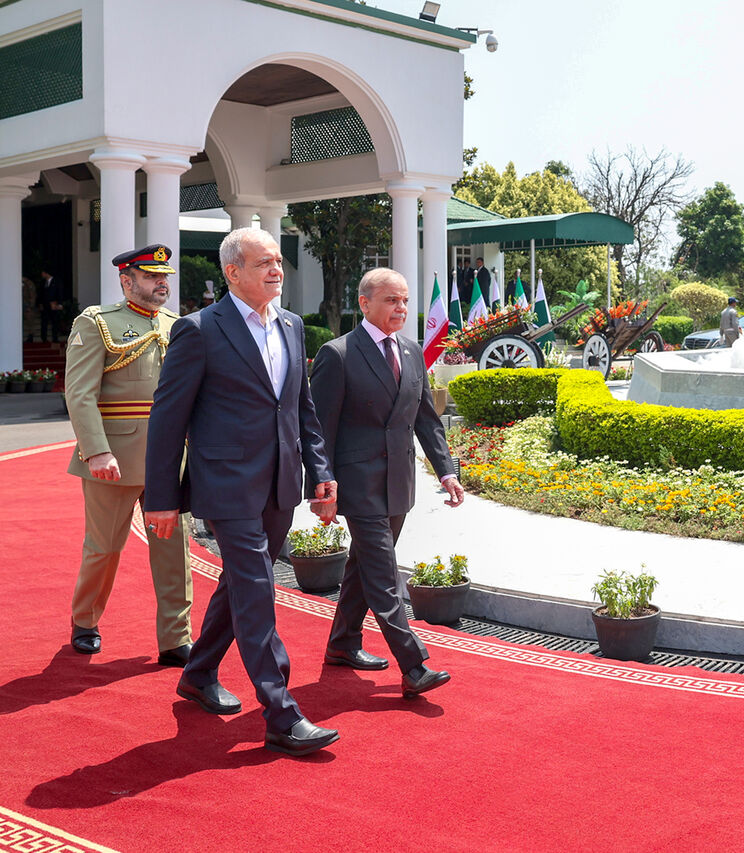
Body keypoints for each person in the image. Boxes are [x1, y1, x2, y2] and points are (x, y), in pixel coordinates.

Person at [144, 227, 341, 758]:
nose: (277, 270)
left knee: (238, 583)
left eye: (279, 261)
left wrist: (320, 471)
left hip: (280, 480)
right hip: (224, 482)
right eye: (264, 263)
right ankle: (281, 712)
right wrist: (160, 498)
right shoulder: (199, 330)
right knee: (257, 587)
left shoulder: (294, 327)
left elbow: (303, 409)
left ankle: (198, 671)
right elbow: (168, 419)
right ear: (232, 272)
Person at [309, 268, 464, 697]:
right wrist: (321, 488)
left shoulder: (412, 351)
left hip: (399, 484)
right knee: (383, 575)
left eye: (404, 301)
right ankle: (414, 665)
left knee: (363, 568)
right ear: (365, 303)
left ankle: (342, 645)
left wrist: (446, 471)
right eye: (392, 300)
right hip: (357, 485)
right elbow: (319, 429)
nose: (401, 308)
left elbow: (426, 421)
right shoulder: (337, 354)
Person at [63, 244, 194, 665]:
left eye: (165, 277)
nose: (162, 283)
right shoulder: (98, 322)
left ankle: (176, 638)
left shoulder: (179, 325)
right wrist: (96, 451)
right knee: (104, 547)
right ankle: (85, 621)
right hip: (114, 456)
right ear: (127, 280)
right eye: (153, 276)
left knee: (175, 548)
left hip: (171, 455)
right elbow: (80, 393)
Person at [37, 269, 65, 342]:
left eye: (43, 273)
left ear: (47, 273)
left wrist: (59, 304)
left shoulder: (56, 281)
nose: (42, 274)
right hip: (45, 305)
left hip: (54, 304)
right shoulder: (43, 282)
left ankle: (55, 338)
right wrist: (40, 304)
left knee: (55, 322)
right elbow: (40, 294)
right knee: (44, 322)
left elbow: (60, 292)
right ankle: (44, 338)